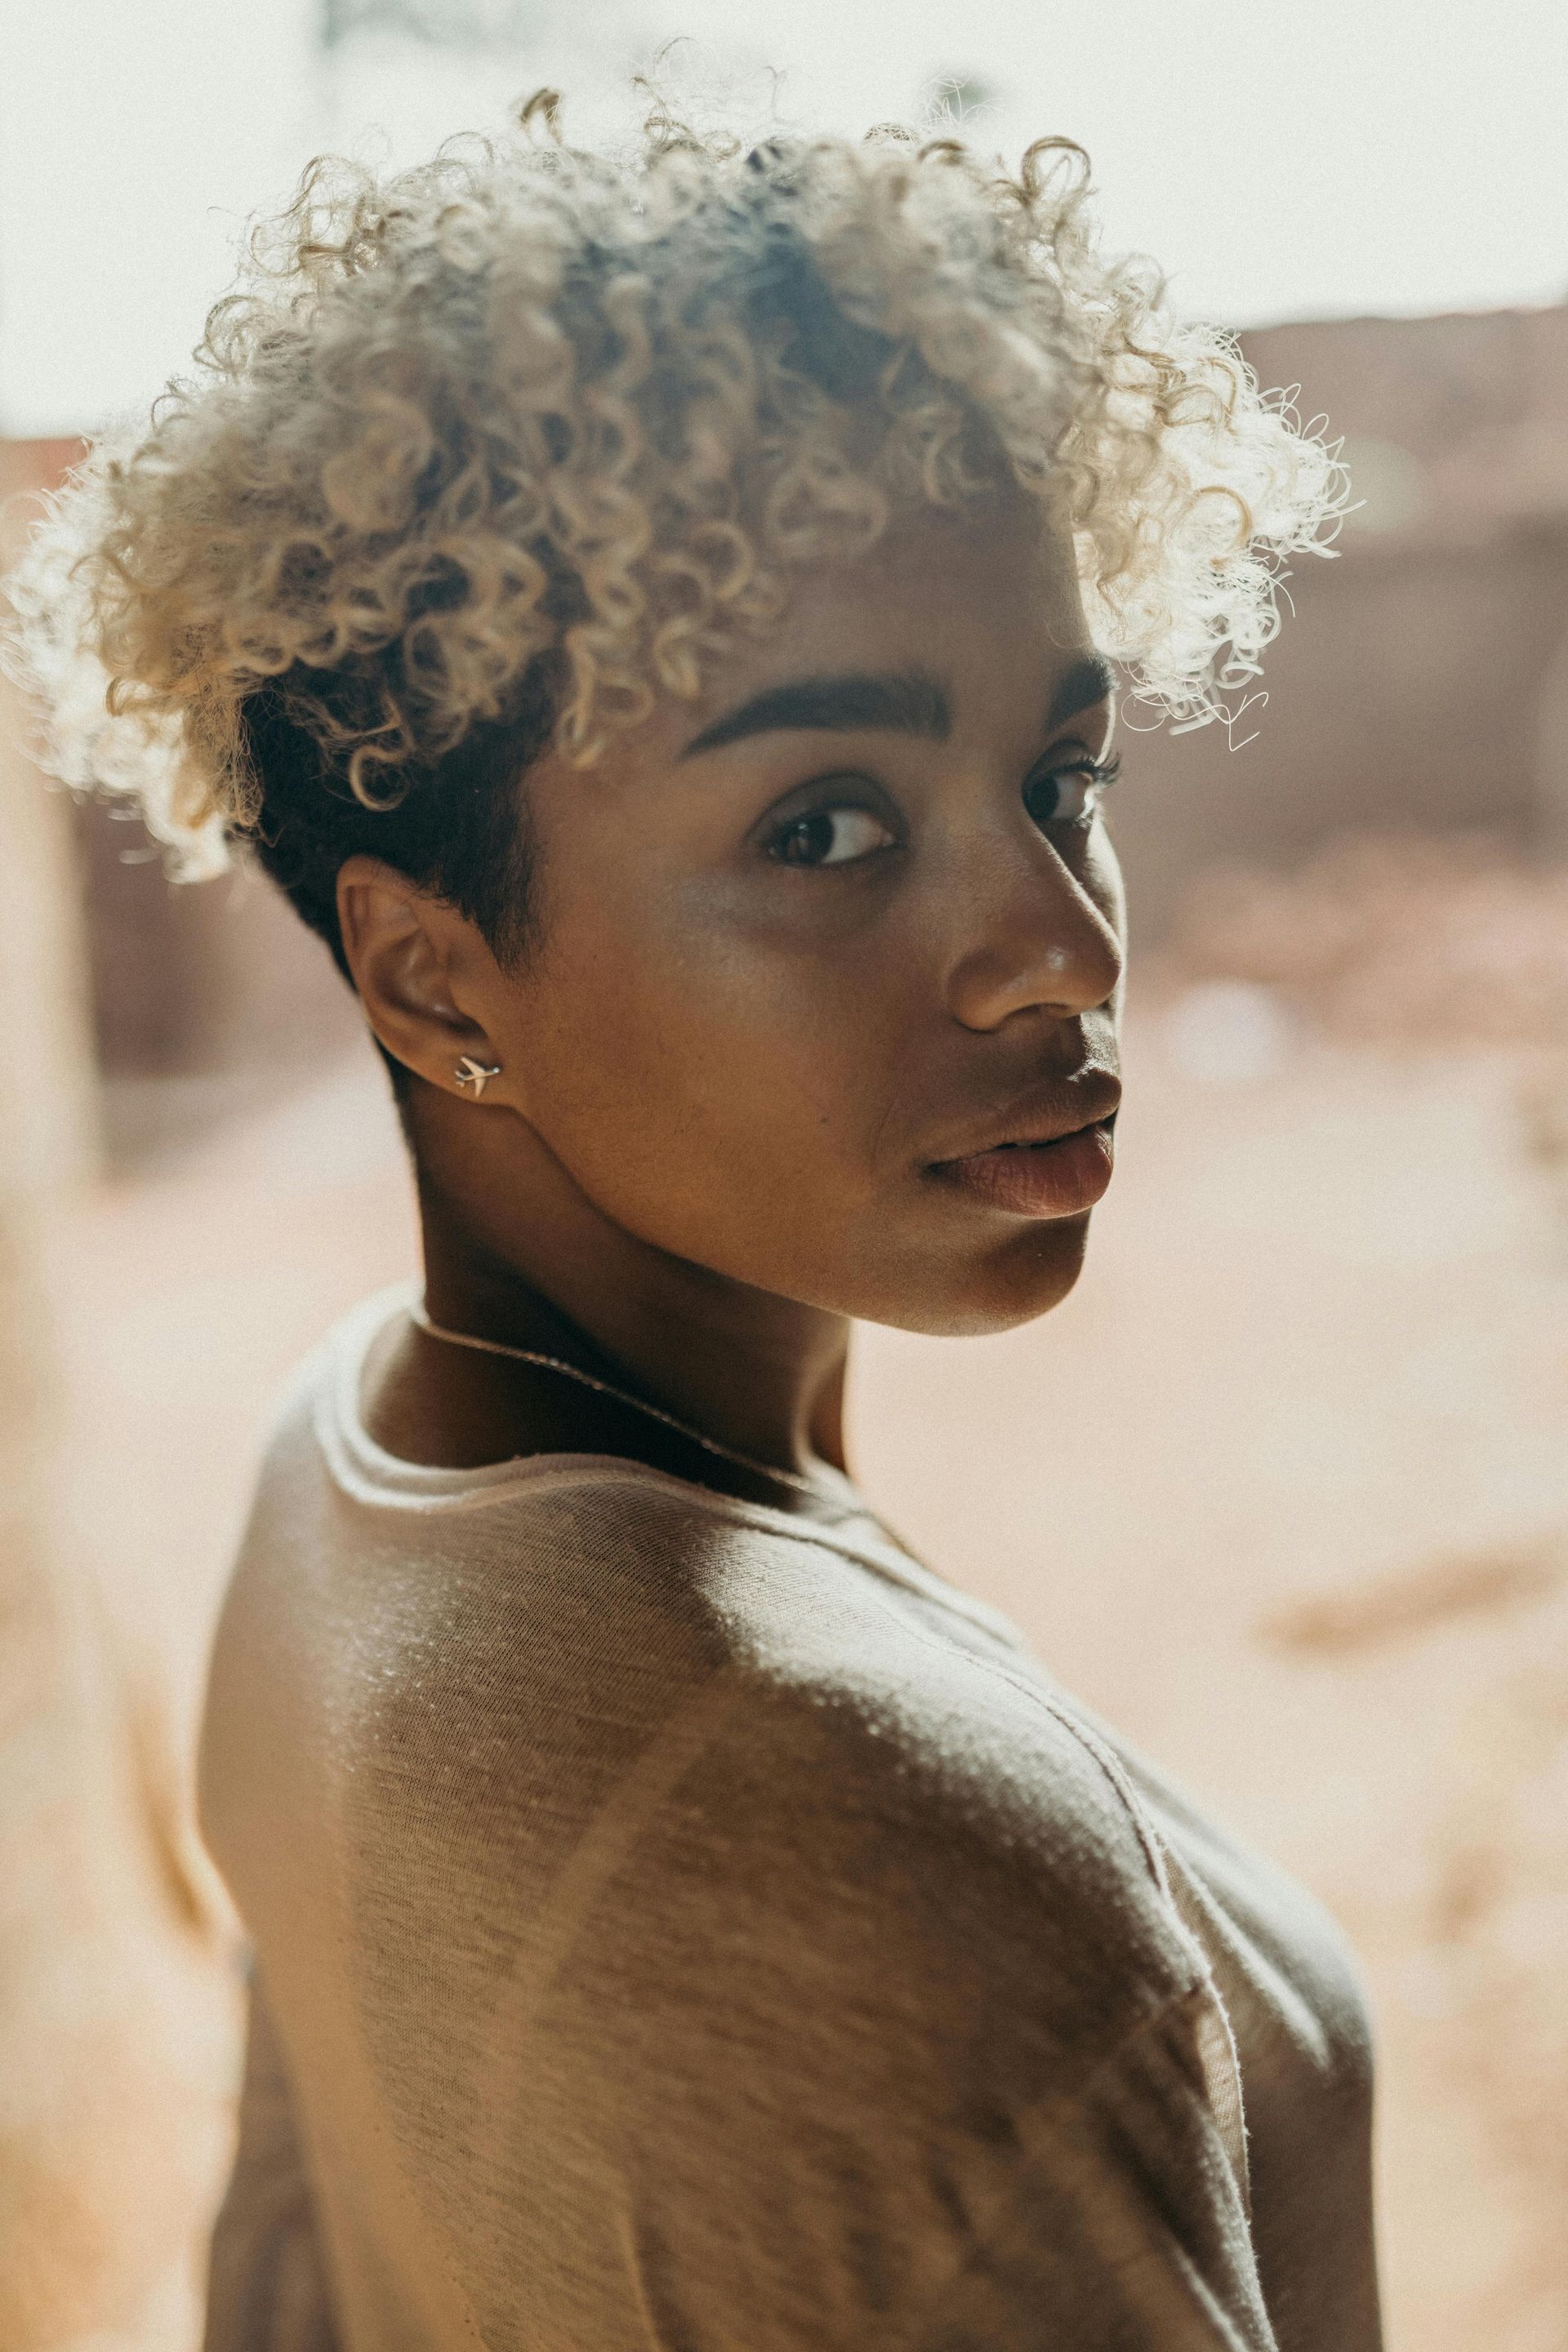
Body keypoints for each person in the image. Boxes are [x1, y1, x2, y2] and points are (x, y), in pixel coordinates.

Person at [8, 85, 1377, 2350]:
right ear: (434, 973)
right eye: (825, 828)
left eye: (1061, 777)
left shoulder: (352, 1462)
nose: (1059, 944)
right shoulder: (870, 1855)